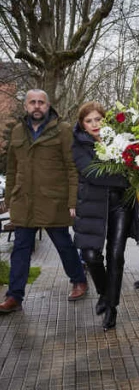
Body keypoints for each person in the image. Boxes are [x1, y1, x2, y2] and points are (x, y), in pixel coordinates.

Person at [0, 89, 87, 314]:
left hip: (53, 201)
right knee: (20, 248)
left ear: (48, 106)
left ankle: (79, 280)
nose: (37, 106)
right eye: (32, 103)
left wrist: (72, 201)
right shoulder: (18, 131)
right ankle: (14, 296)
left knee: (63, 245)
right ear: (26, 106)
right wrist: (9, 197)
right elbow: (12, 169)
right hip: (24, 201)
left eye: (41, 102)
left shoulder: (63, 130)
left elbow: (71, 167)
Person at [72, 101, 139, 331]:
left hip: (121, 204)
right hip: (93, 206)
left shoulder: (121, 139)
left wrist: (130, 175)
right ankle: (104, 292)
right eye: (88, 120)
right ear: (82, 124)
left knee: (116, 255)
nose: (94, 124)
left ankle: (111, 307)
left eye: (98, 119)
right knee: (91, 256)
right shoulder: (79, 144)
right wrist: (123, 177)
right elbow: (91, 172)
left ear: (105, 120)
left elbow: (134, 168)